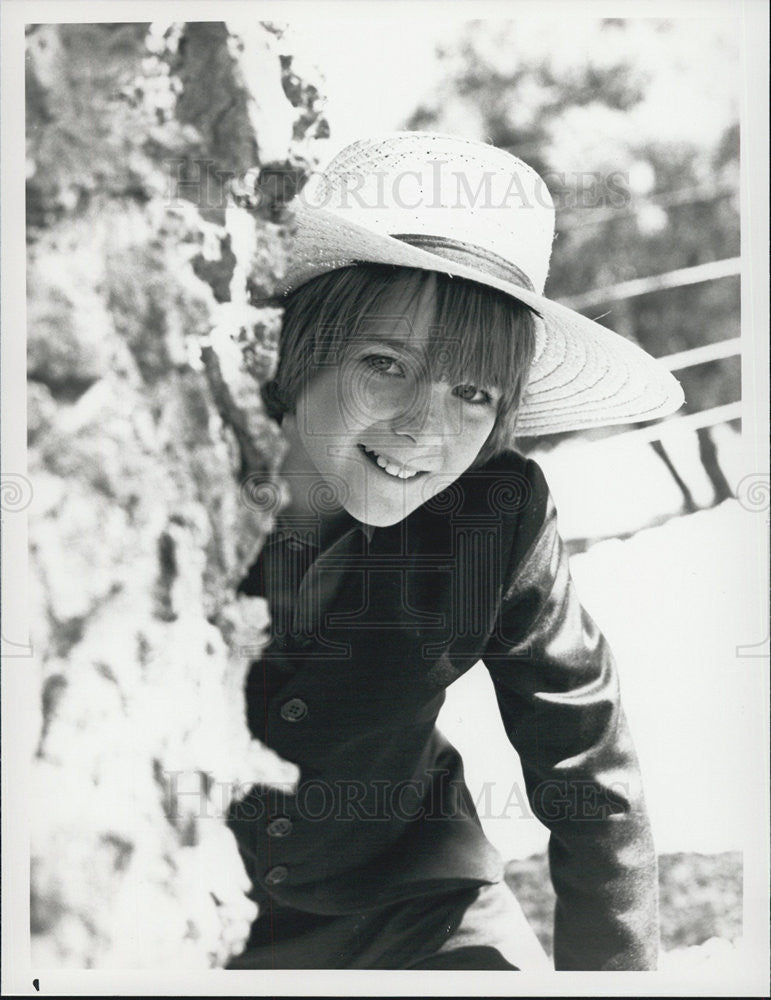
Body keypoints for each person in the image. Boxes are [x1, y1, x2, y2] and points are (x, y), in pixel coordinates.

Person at [225, 133, 684, 971]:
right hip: (201, 916)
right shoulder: (178, 480)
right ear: (301, 344)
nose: (425, 429)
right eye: (386, 365)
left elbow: (591, 778)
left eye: (472, 393)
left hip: (418, 907)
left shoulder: (497, 516)